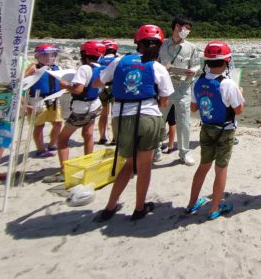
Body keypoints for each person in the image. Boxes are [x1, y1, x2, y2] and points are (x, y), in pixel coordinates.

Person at [93, 25, 173, 222]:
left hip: (120, 117)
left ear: (137, 42)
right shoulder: (157, 67)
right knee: (144, 165)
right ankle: (139, 208)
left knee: (128, 164)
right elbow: (164, 100)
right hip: (148, 115)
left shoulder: (119, 61)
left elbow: (98, 82)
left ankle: (110, 207)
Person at [186, 41, 244, 220]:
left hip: (206, 129)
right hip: (225, 131)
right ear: (226, 62)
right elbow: (238, 110)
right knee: (221, 169)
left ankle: (191, 203)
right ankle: (214, 208)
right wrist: (240, 92)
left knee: (204, 166)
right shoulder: (229, 84)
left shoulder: (198, 82)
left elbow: (194, 109)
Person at [43, 40, 106, 183]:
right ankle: (88, 166)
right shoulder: (101, 68)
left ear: (84, 54)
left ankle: (64, 172)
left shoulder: (84, 69)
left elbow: (78, 89)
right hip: (95, 105)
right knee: (88, 134)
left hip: (81, 108)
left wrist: (65, 85)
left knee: (62, 139)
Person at [157, 17, 200, 165]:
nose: (187, 32)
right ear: (177, 27)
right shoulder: (162, 45)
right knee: (159, 120)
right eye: (186, 28)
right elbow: (155, 64)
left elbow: (196, 65)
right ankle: (156, 150)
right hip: (164, 89)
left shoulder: (191, 47)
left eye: (189, 29)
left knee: (184, 122)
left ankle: (184, 153)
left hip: (183, 88)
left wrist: (193, 71)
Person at [24, 44, 63, 158]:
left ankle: (52, 144)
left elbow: (61, 81)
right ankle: (40, 149)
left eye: (52, 55)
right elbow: (22, 83)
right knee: (39, 126)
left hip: (54, 99)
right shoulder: (34, 68)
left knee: (57, 123)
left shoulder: (57, 68)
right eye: (45, 55)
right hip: (37, 100)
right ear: (38, 57)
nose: (49, 58)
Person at [97, 39, 119, 145]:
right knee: (115, 114)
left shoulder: (99, 60)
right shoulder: (117, 59)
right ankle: (115, 137)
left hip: (102, 88)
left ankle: (102, 137)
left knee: (104, 113)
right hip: (114, 88)